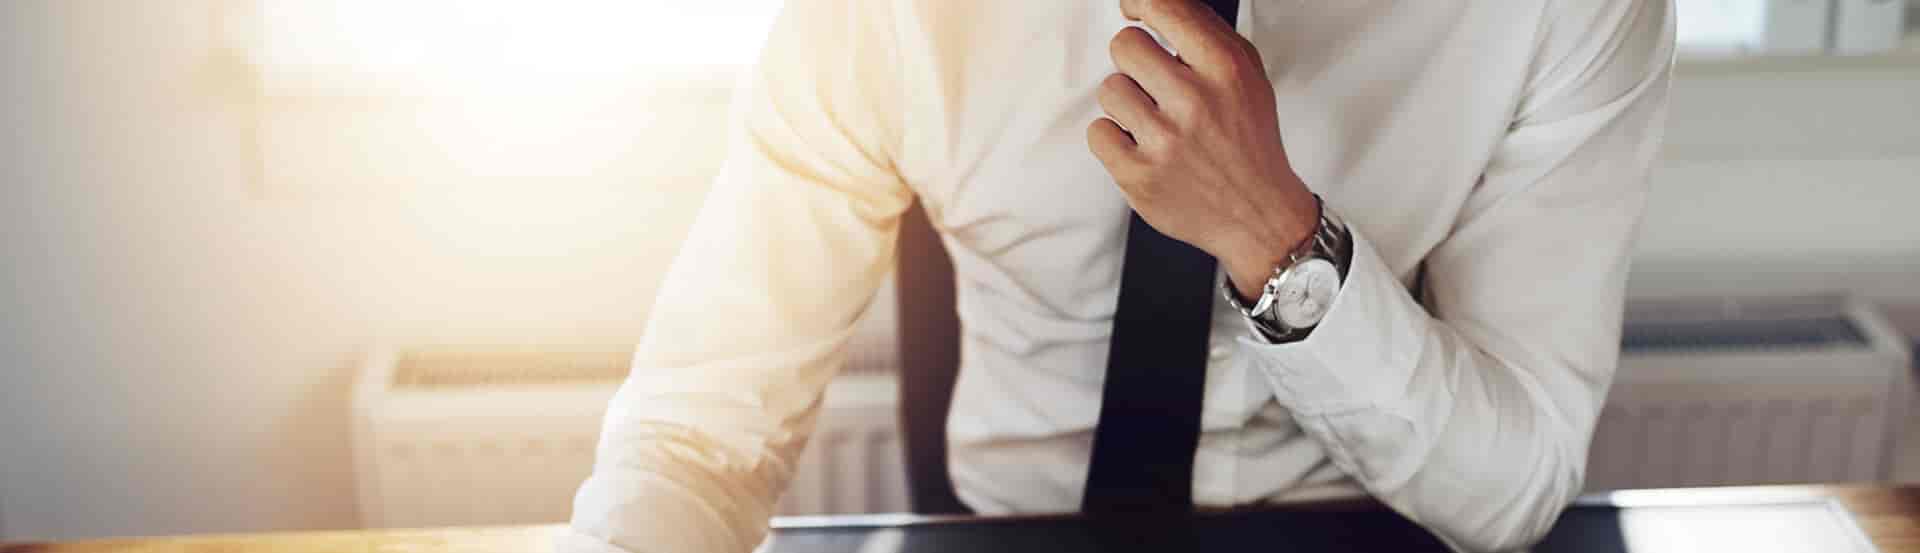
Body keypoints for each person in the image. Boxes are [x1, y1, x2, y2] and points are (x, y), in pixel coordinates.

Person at [558, 0, 1675, 551]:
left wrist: (1275, 236)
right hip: (1012, 535)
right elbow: (698, 433)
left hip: (1369, 528)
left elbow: (1514, 484)